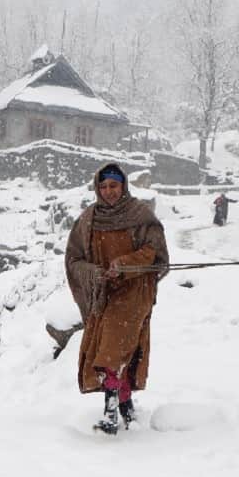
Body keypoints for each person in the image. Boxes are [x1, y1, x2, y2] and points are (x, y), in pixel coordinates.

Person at [65, 162, 169, 434]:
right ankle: (126, 406)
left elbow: (154, 253)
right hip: (104, 294)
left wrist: (123, 265)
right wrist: (94, 273)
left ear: (123, 185)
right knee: (117, 351)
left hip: (135, 290)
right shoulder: (89, 219)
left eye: (113, 185)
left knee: (111, 351)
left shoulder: (139, 215)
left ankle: (111, 415)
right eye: (103, 186)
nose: (109, 191)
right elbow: (74, 259)